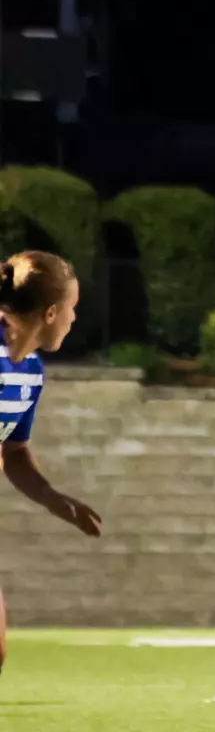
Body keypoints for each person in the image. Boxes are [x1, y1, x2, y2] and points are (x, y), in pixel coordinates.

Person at [0, 252, 103, 671]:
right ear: (51, 312)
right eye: (73, 310)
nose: (74, 320)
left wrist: (52, 497)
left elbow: (14, 452)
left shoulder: (31, 372)